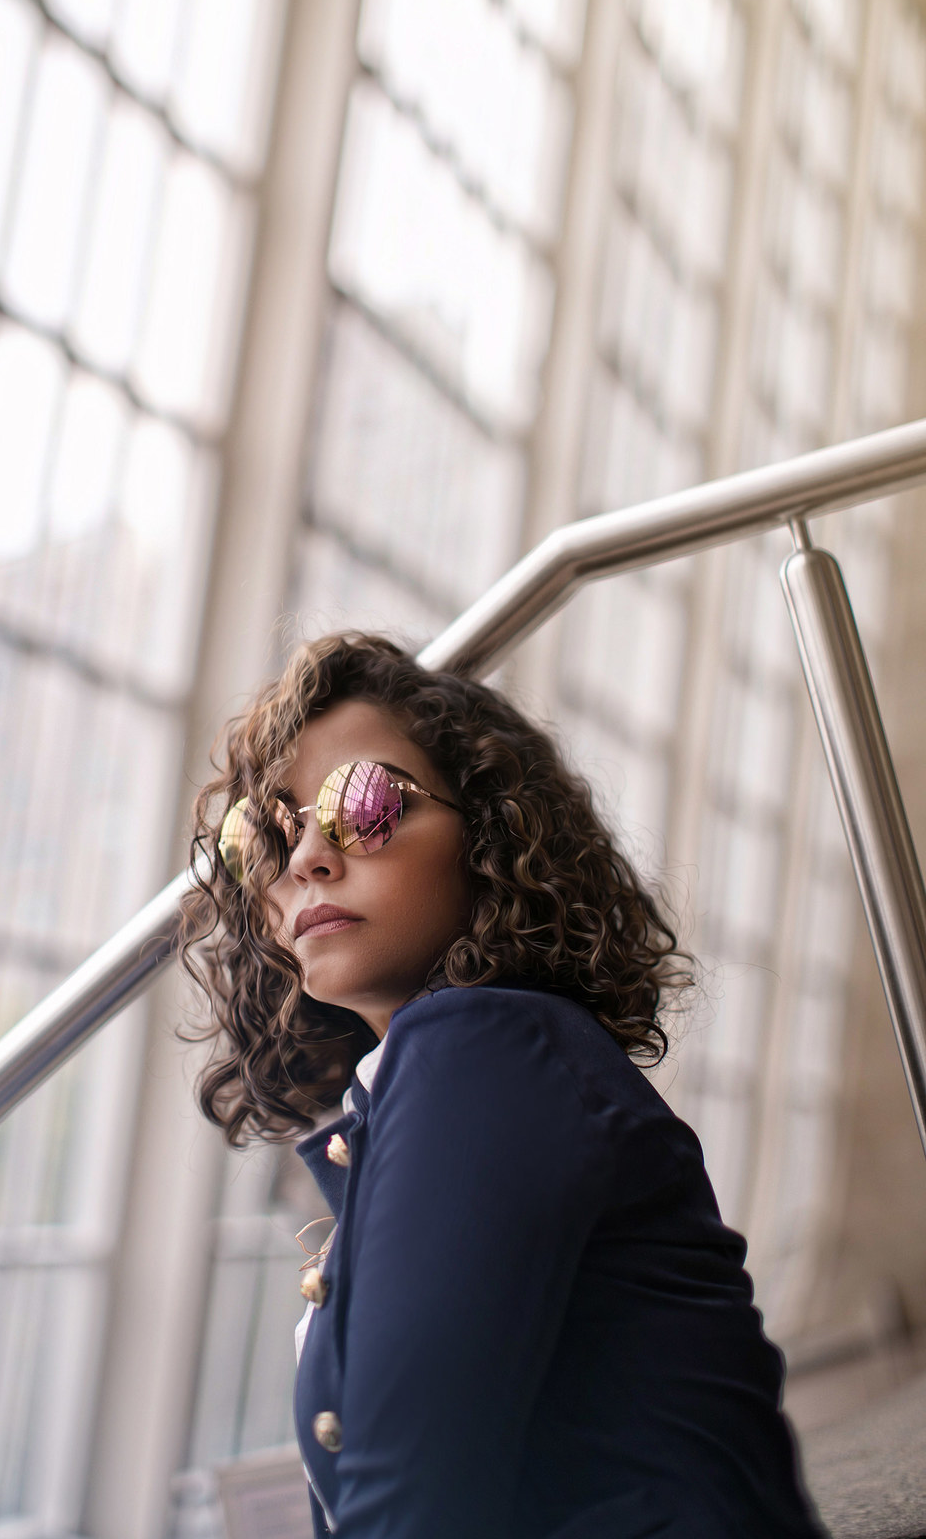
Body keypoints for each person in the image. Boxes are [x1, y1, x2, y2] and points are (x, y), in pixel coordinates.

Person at [179, 633, 823, 1538]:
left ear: (487, 832)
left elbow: (410, 1503)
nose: (304, 861)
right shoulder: (442, 1071)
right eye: (266, 835)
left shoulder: (481, 1045)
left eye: (363, 805)